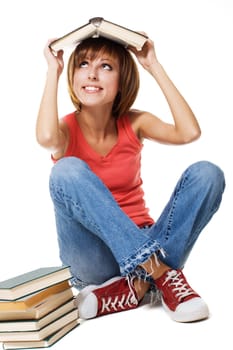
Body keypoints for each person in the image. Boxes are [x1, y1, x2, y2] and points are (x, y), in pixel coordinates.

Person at [36, 32, 225, 323]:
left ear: (122, 80)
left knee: (207, 174)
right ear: (72, 76)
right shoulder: (65, 130)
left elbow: (189, 132)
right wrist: (53, 70)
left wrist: (153, 65)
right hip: (93, 258)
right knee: (65, 170)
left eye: (106, 67)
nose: (93, 74)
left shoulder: (134, 122)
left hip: (145, 236)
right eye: (84, 64)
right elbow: (46, 138)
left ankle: (132, 288)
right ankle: (158, 274)